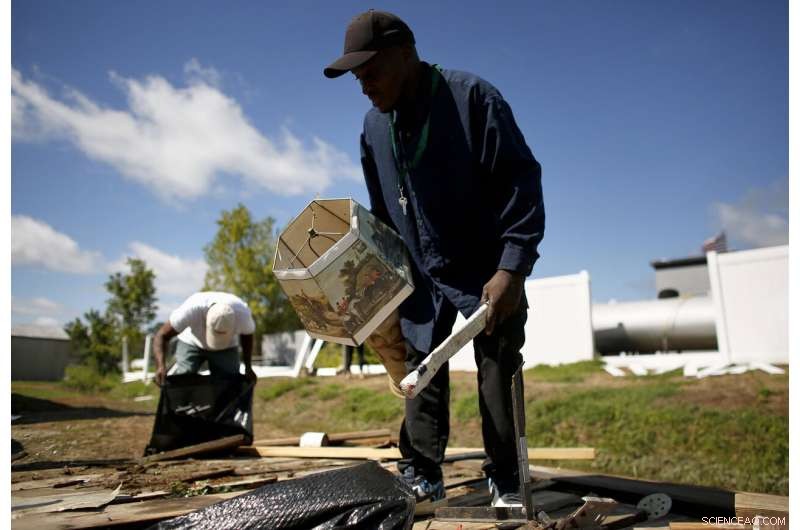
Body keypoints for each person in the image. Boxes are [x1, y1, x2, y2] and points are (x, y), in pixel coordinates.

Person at [324, 10, 545, 508]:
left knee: (497, 361)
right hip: (418, 270)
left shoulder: (472, 100)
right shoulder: (372, 127)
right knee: (418, 366)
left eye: (371, 71)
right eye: (357, 77)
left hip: (483, 265)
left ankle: (507, 476)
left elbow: (520, 182)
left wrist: (511, 268)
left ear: (406, 53)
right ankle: (423, 473)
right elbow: (382, 209)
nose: (364, 85)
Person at [153, 292, 257, 386]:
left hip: (227, 347)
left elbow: (247, 337)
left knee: (230, 381)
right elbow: (161, 335)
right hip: (191, 342)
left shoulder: (243, 316)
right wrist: (160, 366)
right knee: (183, 377)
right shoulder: (190, 309)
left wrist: (248, 367)